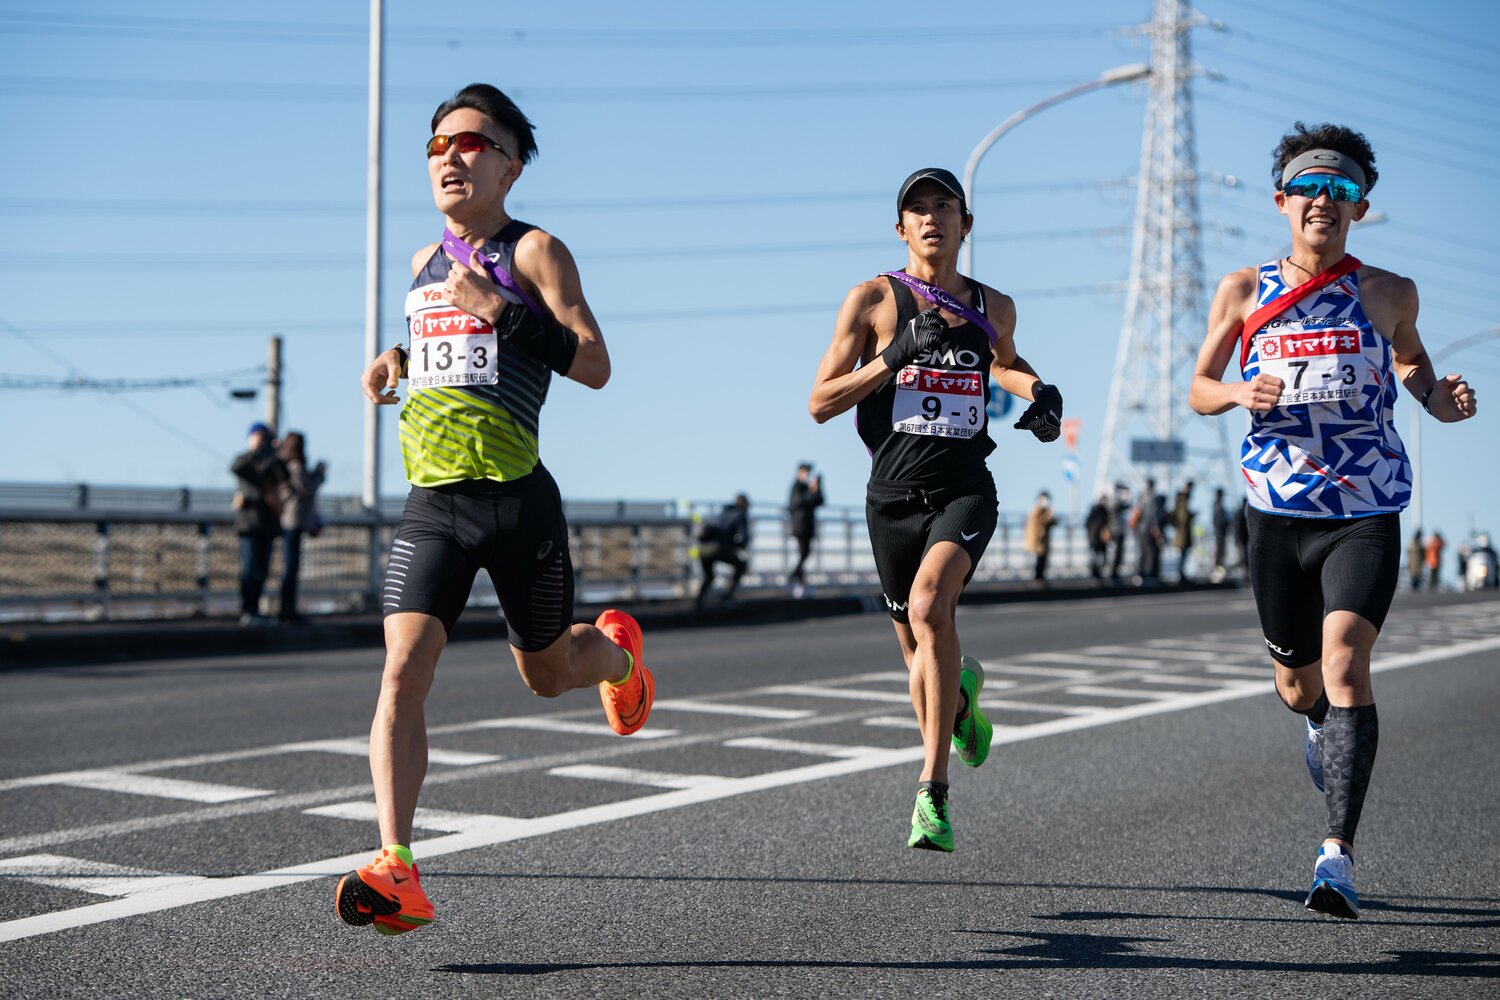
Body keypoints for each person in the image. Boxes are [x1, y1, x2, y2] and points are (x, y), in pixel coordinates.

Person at [340, 84, 655, 937]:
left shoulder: (537, 252)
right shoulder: (421, 264)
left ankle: (620, 661)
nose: (449, 155)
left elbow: (594, 364)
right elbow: (449, 336)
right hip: (433, 503)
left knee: (546, 676)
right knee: (402, 669)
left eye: (471, 142)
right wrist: (396, 357)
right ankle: (397, 865)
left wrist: (508, 314)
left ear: (511, 165)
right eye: (437, 143)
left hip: (519, 505)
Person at [1189, 122, 1477, 919]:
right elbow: (1198, 387)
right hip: (1278, 511)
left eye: (1343, 190)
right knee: (1296, 685)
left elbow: (1412, 360)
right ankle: (1319, 721)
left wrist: (1436, 400)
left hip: (1365, 508)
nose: (1326, 200)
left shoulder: (1389, 291)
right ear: (1282, 200)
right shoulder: (1244, 292)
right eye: (1311, 187)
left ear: (1361, 207)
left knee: (1347, 658)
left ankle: (1337, 857)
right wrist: (1238, 394)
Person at [809, 166, 1063, 852]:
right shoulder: (871, 299)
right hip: (890, 498)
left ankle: (933, 793)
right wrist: (894, 355)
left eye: (944, 207)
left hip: (964, 488)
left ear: (965, 225)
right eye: (917, 210)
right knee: (921, 665)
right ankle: (960, 703)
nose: (931, 218)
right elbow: (821, 401)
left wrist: (1039, 392)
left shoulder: (994, 305)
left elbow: (1003, 363)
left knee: (930, 610)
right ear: (901, 229)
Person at [230, 422, 287, 627]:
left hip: (268, 523)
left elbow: (284, 476)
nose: (262, 443)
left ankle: (255, 610)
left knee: (262, 570)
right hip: (248, 524)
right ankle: (248, 609)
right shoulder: (245, 460)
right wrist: (254, 451)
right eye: (258, 438)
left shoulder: (273, 461)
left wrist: (275, 453)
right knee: (249, 569)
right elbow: (238, 468)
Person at [276, 431, 326, 624]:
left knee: (291, 566)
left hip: (291, 521)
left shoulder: (287, 464)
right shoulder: (295, 466)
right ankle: (287, 610)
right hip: (292, 522)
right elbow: (307, 488)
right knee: (291, 567)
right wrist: (319, 474)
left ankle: (287, 608)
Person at [697, 493, 752, 609]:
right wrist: (737, 545)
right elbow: (744, 538)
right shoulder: (740, 514)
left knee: (709, 576)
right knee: (741, 565)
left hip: (702, 549)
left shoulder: (723, 512)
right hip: (717, 548)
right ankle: (727, 597)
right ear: (744, 504)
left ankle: (699, 601)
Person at [786, 464, 825, 595]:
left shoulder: (806, 487)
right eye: (806, 472)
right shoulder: (796, 486)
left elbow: (819, 500)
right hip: (800, 526)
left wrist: (818, 487)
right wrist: (811, 491)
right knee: (803, 553)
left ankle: (798, 580)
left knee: (805, 553)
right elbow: (797, 503)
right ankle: (794, 578)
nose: (808, 474)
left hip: (807, 526)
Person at [1133, 478, 1166, 586]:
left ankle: (1140, 574)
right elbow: (1153, 515)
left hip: (1141, 529)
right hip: (1150, 530)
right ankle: (1151, 576)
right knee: (1152, 553)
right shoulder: (1154, 498)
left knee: (1143, 552)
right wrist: (1156, 529)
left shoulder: (1141, 497)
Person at [1024, 490, 1056, 585]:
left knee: (1042, 560)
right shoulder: (1036, 510)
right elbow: (1039, 523)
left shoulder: (1044, 511)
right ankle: (1037, 579)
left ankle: (1040, 579)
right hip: (1038, 540)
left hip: (1042, 540)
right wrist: (1049, 518)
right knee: (1039, 560)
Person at [1172, 480, 1196, 583]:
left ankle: (1181, 573)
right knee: (1182, 553)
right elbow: (1183, 517)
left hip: (1183, 532)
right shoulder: (1182, 500)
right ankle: (1180, 574)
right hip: (1182, 533)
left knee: (1183, 554)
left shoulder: (1181, 500)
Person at [1107, 482, 1131, 583]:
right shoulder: (1113, 500)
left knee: (1119, 552)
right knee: (1116, 551)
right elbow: (1118, 507)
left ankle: (1115, 572)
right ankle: (1113, 573)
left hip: (1118, 529)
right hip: (1115, 530)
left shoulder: (1115, 500)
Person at [1085, 493, 1111, 581]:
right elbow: (1087, 523)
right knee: (1095, 556)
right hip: (1095, 537)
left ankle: (1097, 572)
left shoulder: (1105, 511)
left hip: (1101, 538)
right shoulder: (1096, 510)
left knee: (1101, 556)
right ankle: (1094, 572)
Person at [1210, 487, 1230, 582]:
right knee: (1219, 552)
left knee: (1220, 552)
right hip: (1219, 532)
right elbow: (1219, 520)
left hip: (1220, 532)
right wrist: (1226, 523)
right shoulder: (1217, 505)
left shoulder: (1217, 505)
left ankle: (1219, 571)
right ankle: (1217, 572)